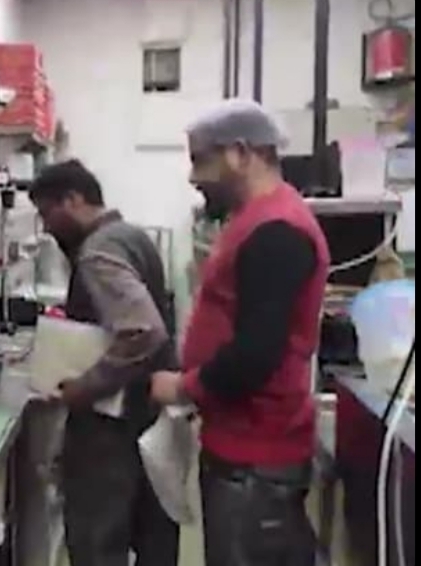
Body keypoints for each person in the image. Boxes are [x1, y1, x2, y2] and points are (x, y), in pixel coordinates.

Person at [150, 99, 331, 566]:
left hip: (257, 460)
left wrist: (183, 387)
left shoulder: (277, 229)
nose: (193, 177)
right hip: (242, 450)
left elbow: (256, 353)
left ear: (240, 153)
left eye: (200, 161)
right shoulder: (255, 220)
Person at [29, 159, 179, 566]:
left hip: (109, 429)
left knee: (98, 543)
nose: (46, 227)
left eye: (47, 213)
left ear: (73, 200)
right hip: (147, 417)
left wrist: (85, 386)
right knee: (154, 541)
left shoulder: (98, 250)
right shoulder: (132, 236)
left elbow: (143, 330)